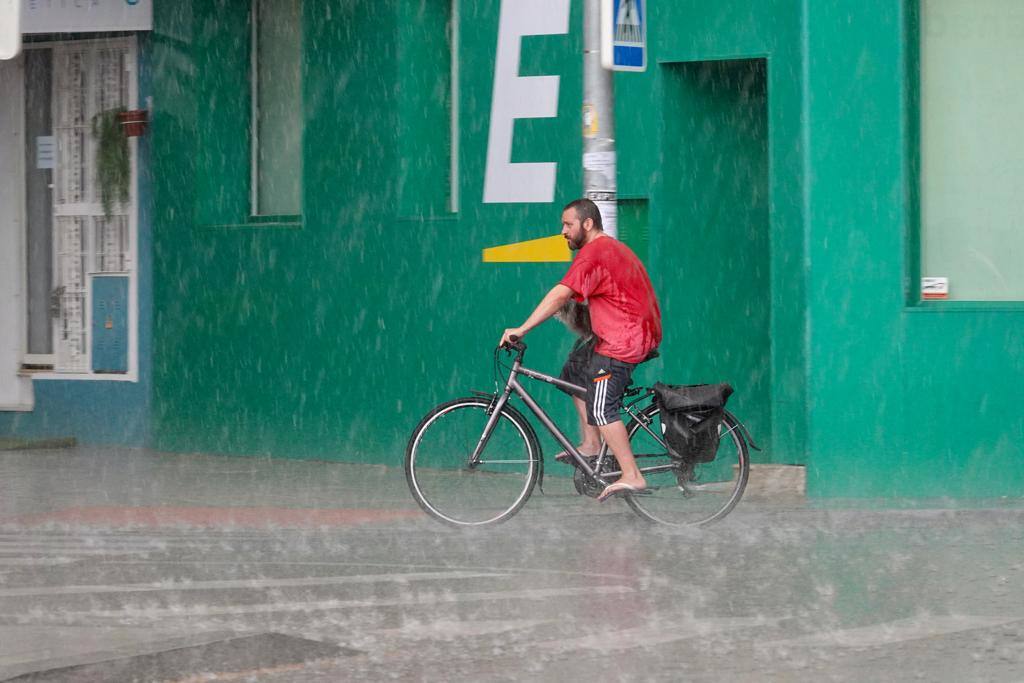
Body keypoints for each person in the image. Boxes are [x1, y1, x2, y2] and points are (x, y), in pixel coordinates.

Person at [499, 198, 662, 501]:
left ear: (587, 224)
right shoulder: (604, 250)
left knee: (601, 407)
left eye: (568, 224)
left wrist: (522, 328)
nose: (563, 231)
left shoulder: (595, 253)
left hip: (624, 340)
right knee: (575, 371)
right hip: (619, 333)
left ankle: (632, 475)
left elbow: (561, 294)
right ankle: (591, 444)